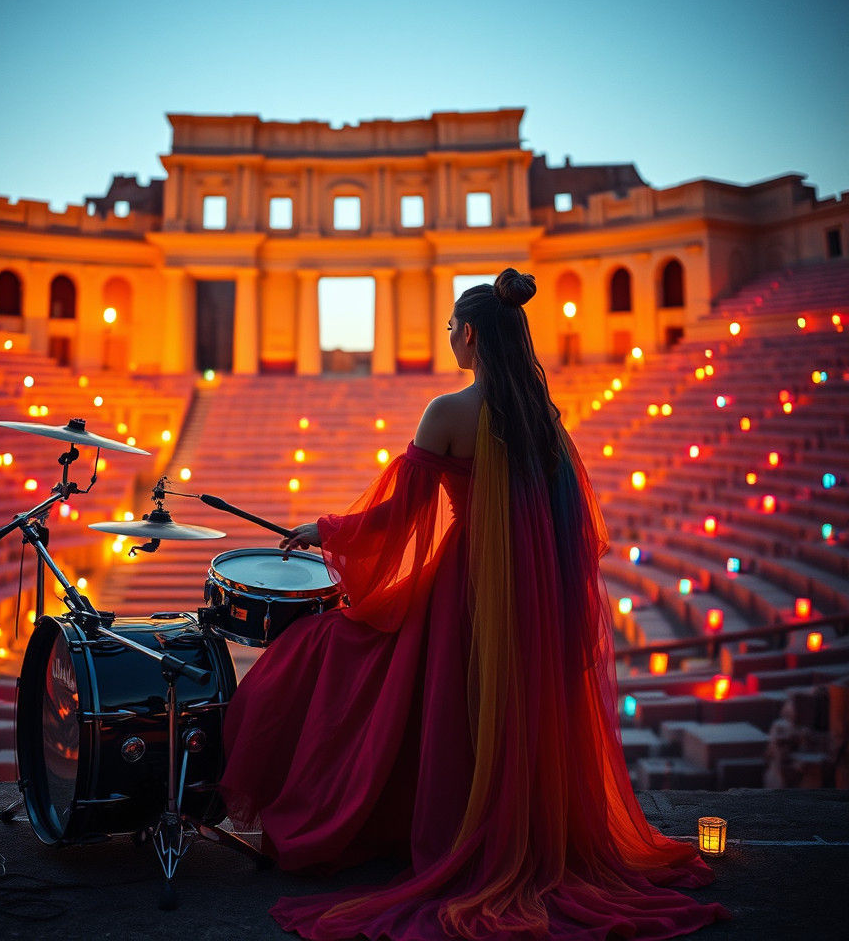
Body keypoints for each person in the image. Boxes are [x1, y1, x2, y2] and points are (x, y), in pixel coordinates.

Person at [220, 269, 731, 940]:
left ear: (468, 334)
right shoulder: (541, 414)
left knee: (327, 650)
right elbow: (573, 523)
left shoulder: (449, 411)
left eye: (450, 330)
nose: (448, 340)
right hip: (529, 591)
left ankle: (368, 821)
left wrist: (327, 531)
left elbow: (402, 513)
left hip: (467, 581)